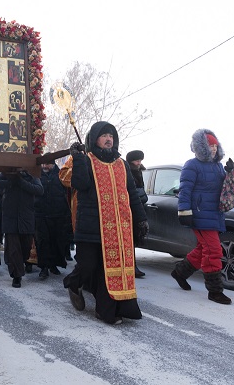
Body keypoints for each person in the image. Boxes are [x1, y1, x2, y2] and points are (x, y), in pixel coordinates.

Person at [62, 121, 148, 325]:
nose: (109, 139)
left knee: (107, 270)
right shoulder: (87, 160)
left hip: (118, 229)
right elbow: (79, 185)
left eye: (111, 135)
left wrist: (141, 218)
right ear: (95, 139)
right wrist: (78, 158)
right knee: (88, 266)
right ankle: (73, 283)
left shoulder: (122, 164)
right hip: (91, 227)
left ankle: (106, 311)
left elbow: (132, 195)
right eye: (104, 135)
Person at [171, 129, 232, 305]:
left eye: (215, 146)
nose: (213, 149)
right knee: (213, 250)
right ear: (201, 147)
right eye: (209, 146)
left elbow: (223, 188)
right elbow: (185, 190)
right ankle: (215, 291)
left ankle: (179, 272)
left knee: (203, 249)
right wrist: (184, 212)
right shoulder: (192, 165)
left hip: (215, 213)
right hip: (199, 214)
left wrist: (231, 173)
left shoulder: (218, 166)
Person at [0, 169, 44, 289]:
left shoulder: (31, 174)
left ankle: (20, 264)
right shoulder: (6, 173)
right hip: (10, 217)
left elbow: (40, 190)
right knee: (13, 249)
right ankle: (16, 276)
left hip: (26, 217)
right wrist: (9, 182)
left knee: (26, 247)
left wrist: (21, 182)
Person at [34, 161, 73, 279]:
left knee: (56, 241)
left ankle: (54, 265)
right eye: (43, 164)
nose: (45, 166)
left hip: (58, 214)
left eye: (47, 164)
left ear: (53, 164)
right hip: (40, 214)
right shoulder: (37, 175)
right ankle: (44, 268)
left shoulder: (60, 174)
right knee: (42, 241)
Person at [126, 150, 148, 278]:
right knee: (129, 240)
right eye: (137, 160)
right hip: (129, 209)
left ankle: (133, 266)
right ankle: (131, 267)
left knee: (133, 240)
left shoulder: (139, 171)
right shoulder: (128, 171)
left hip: (138, 208)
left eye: (140, 160)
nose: (139, 163)